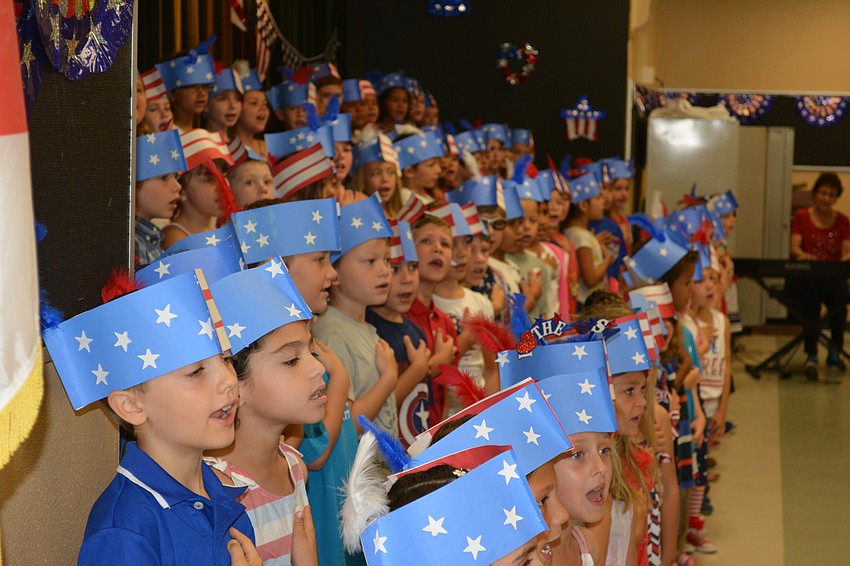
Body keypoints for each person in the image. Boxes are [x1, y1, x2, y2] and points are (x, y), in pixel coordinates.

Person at [43, 271, 259, 565]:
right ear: (131, 407)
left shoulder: (225, 498)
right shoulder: (124, 532)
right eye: (196, 372)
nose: (228, 380)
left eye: (226, 360)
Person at [205, 258, 324, 564]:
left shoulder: (294, 466)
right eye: (291, 360)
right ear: (234, 384)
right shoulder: (217, 490)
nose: (319, 368)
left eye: (311, 352)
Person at [312, 195, 399, 434]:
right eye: (370, 261)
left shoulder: (362, 326)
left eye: (387, 260)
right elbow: (347, 425)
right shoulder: (332, 335)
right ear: (335, 271)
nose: (385, 271)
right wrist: (389, 379)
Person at [366, 220, 431, 447]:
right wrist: (417, 370)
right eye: (395, 268)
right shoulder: (372, 331)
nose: (407, 278)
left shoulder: (415, 330)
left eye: (413, 267)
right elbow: (381, 408)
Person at [789, 172, 850, 382]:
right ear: (816, 194)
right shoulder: (802, 216)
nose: (826, 198)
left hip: (833, 277)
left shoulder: (843, 221)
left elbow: (846, 251)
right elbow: (795, 248)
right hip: (810, 276)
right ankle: (812, 355)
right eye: (823, 193)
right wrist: (808, 257)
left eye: (831, 194)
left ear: (836, 198)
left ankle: (834, 354)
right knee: (810, 310)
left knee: (840, 309)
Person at [163, 129, 235, 249]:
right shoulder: (175, 238)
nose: (222, 186)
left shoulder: (217, 232)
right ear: (182, 190)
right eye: (208, 180)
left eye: (224, 177)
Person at [134, 130, 184, 267]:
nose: (178, 186)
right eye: (164, 178)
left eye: (176, 177)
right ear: (134, 184)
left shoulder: (153, 240)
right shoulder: (134, 246)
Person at [565, 171, 613, 309]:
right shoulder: (580, 236)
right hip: (585, 304)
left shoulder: (581, 234)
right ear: (583, 206)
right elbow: (591, 279)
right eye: (598, 198)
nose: (603, 201)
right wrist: (607, 259)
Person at [205, 67, 243, 136]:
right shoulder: (198, 143)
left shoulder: (237, 145)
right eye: (223, 99)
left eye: (237, 98)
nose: (232, 106)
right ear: (206, 104)